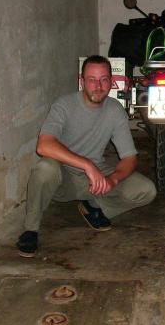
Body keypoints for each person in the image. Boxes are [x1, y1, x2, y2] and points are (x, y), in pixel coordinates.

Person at [16, 55, 156, 257]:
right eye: (91, 79)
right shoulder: (64, 105)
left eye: (104, 79)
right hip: (63, 178)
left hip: (95, 176)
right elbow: (44, 145)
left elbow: (129, 157)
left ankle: (93, 205)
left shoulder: (115, 110)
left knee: (146, 190)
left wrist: (113, 179)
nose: (98, 86)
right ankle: (30, 229)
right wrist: (87, 165)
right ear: (81, 82)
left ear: (111, 82)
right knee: (46, 168)